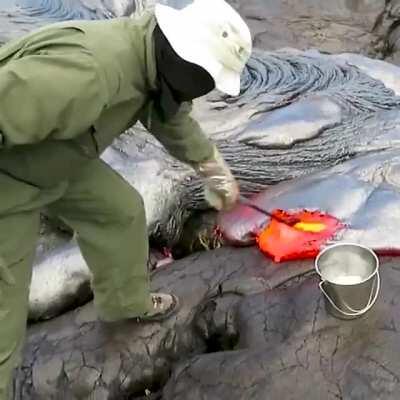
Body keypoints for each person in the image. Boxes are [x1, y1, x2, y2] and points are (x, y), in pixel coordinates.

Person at [0, 0, 252, 396]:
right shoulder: (88, 72)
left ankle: (125, 303)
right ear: (185, 62)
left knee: (121, 213)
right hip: (10, 178)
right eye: (207, 78)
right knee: (4, 313)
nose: (205, 88)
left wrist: (211, 166)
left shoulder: (152, 62)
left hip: (59, 156)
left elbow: (169, 117)